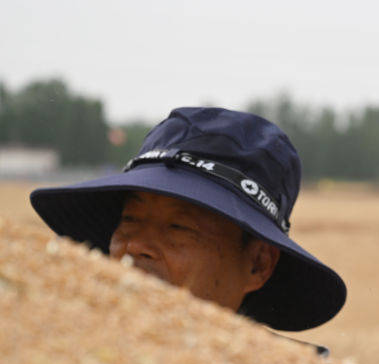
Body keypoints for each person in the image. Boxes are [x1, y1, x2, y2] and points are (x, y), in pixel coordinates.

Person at [30, 107, 346, 339]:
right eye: (129, 219)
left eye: (178, 227)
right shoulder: (53, 353)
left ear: (257, 264)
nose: (135, 245)